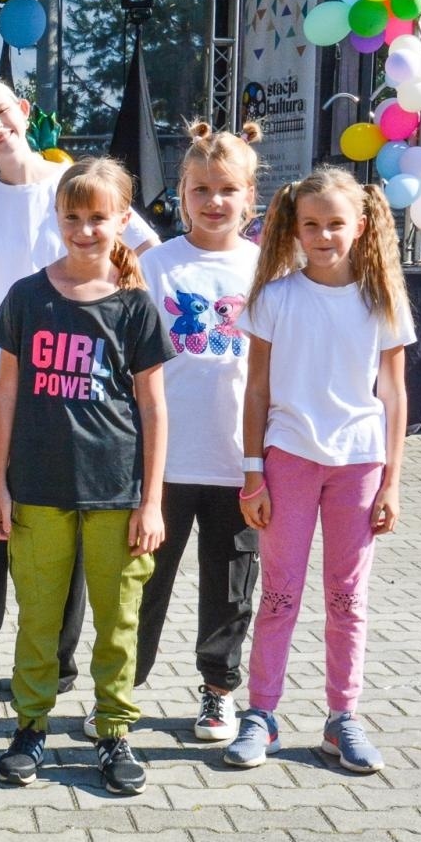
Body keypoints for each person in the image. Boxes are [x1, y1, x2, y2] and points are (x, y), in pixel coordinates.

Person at [0, 78, 162, 696]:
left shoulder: (71, 182)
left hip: (82, 395)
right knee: (1, 528)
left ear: (22, 112)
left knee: (72, 548)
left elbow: (141, 252)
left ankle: (62, 669)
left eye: (1, 112)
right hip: (3, 385)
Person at [0, 157, 173, 796]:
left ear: (123, 219)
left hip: (117, 492)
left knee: (119, 618)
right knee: (38, 615)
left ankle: (114, 729)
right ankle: (31, 724)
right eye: (73, 217)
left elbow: (153, 407)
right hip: (36, 489)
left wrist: (152, 501)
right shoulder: (26, 296)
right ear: (56, 218)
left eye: (99, 217)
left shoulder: (136, 308)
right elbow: (3, 395)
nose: (86, 229)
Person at [224, 166, 414, 775]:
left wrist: (391, 480)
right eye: (312, 225)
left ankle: (342, 718)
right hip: (288, 461)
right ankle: (262, 715)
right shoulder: (275, 298)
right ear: (295, 229)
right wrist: (252, 472)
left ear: (360, 226)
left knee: (347, 598)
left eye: (336, 224)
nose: (324, 235)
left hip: (358, 466)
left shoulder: (380, 298)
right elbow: (255, 391)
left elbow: (394, 394)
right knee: (278, 596)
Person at [127, 121, 265, 745]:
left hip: (240, 463)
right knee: (142, 583)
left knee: (231, 586)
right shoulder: (154, 266)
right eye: (200, 188)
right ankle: (121, 691)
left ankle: (218, 693)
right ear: (179, 194)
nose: (214, 201)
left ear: (250, 198)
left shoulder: (270, 270)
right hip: (163, 464)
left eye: (227, 189)